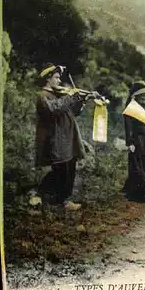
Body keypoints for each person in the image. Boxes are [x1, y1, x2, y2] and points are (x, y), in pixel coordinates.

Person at [35, 63, 94, 210]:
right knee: (61, 169)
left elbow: (72, 112)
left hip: (69, 137)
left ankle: (63, 199)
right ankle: (54, 199)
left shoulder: (59, 95)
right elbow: (54, 109)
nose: (59, 81)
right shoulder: (43, 96)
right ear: (48, 79)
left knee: (70, 168)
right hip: (57, 139)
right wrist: (69, 96)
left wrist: (81, 101)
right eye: (56, 77)